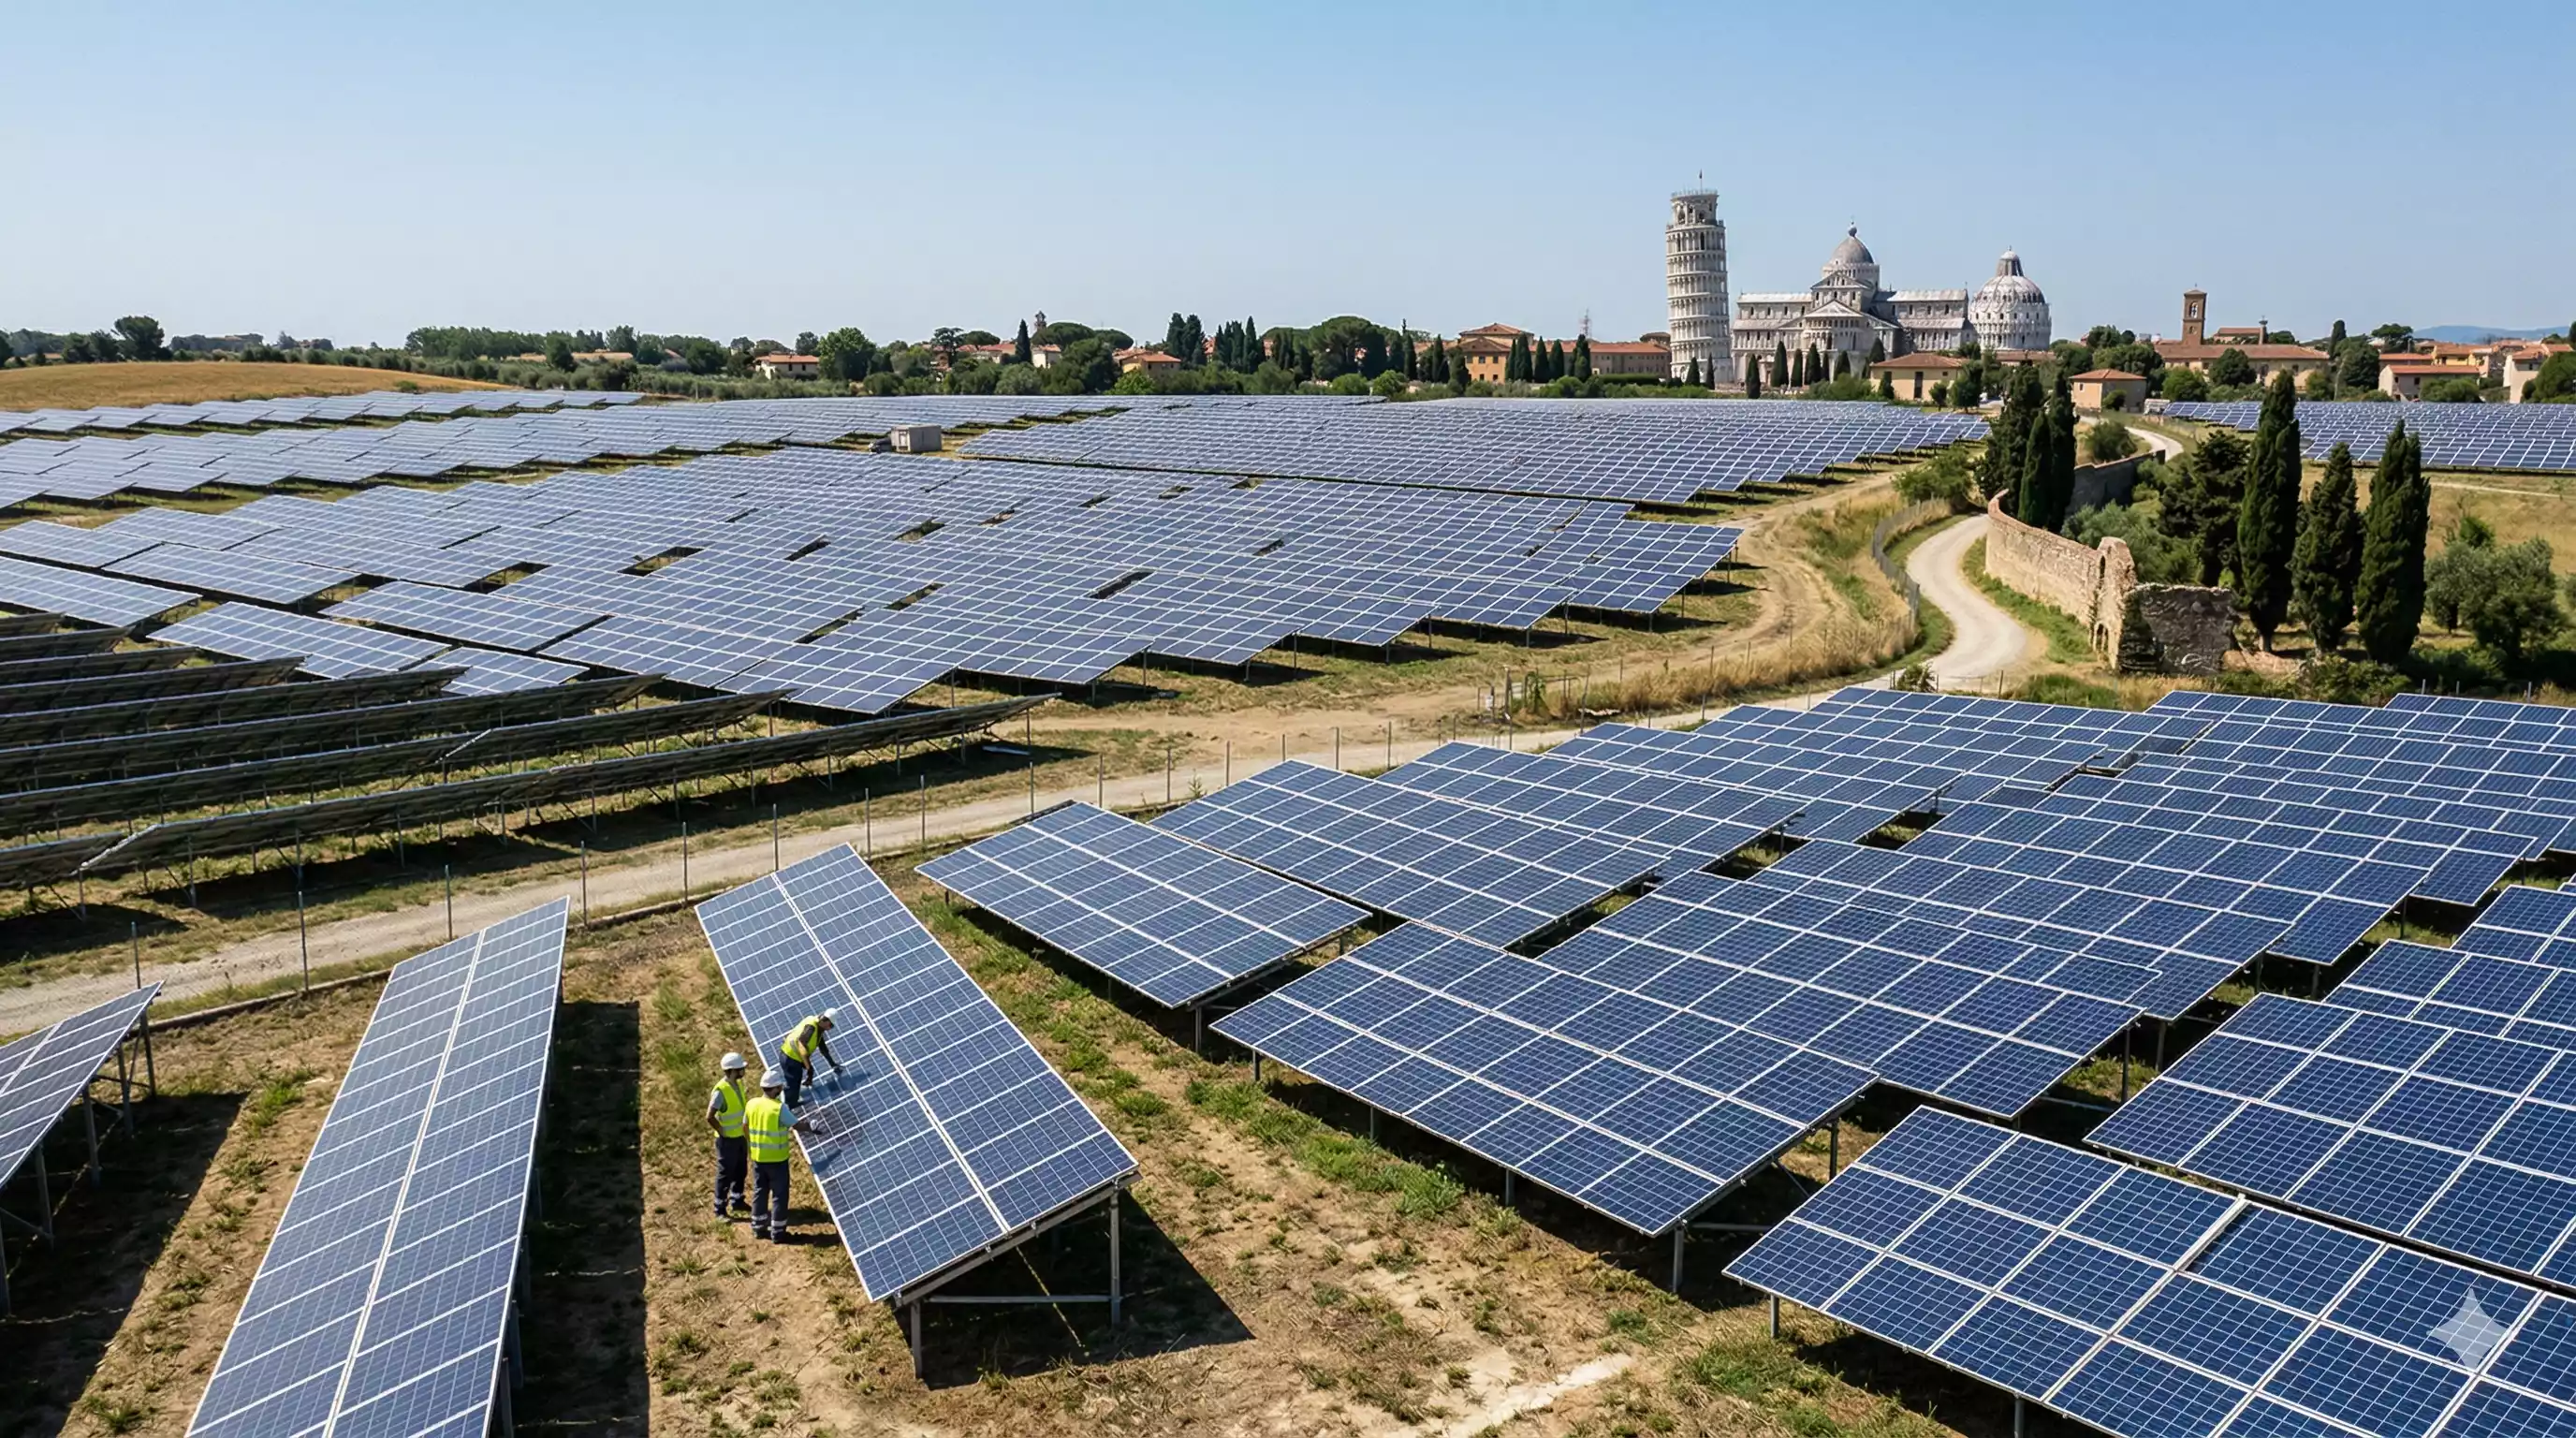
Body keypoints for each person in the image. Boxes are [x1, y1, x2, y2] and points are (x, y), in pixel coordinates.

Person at [746, 1069, 820, 1243]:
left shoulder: (752, 1104)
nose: (781, 1089)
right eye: (779, 1086)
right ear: (775, 1088)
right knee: (779, 1195)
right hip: (777, 1161)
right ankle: (778, 1233)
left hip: (758, 1158)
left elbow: (745, 1125)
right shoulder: (778, 1109)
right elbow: (797, 1125)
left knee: (760, 1192)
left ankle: (758, 1227)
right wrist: (811, 1126)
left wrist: (752, 1146)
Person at [706, 1051, 752, 1219]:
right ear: (732, 1071)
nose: (743, 1071)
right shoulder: (720, 1091)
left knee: (741, 1170)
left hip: (740, 1137)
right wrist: (722, 1131)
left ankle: (737, 1200)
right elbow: (709, 1116)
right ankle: (719, 1209)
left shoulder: (737, 1084)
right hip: (727, 1141)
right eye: (741, 1069)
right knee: (725, 1174)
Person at [776, 1008, 843, 1107]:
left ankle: (785, 1096)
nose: (830, 1028)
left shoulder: (818, 1027)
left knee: (795, 1081)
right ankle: (788, 1105)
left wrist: (832, 1064)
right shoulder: (811, 1027)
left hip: (790, 1056)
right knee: (794, 1083)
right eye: (831, 1025)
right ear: (826, 1020)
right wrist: (809, 1068)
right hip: (790, 1058)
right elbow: (801, 1045)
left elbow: (823, 1048)